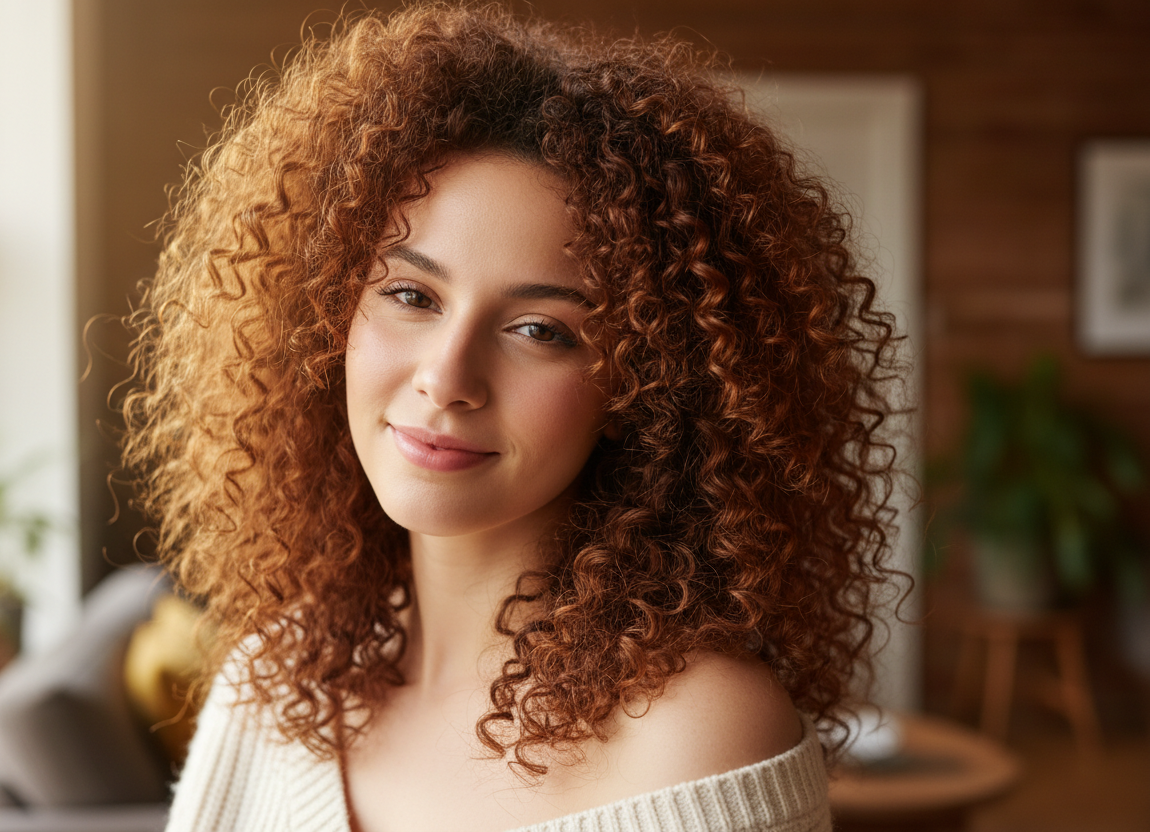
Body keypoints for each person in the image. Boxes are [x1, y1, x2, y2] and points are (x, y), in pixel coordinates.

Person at [121, 5, 901, 831]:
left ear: (648, 385)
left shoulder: (699, 735)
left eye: (541, 330)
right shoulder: (272, 683)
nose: (447, 378)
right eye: (411, 295)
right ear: (327, 318)